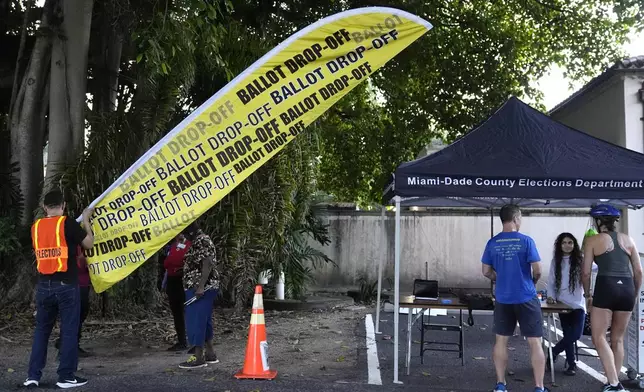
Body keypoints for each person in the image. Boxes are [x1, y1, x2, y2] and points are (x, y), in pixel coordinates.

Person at [24, 189, 94, 389]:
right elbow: (89, 243)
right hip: (66, 285)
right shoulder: (68, 223)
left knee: (41, 331)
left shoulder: (35, 227)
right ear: (63, 206)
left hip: (43, 285)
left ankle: (32, 376)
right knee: (69, 331)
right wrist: (87, 221)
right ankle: (65, 377)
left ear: (44, 207)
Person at [481, 204, 548, 392]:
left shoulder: (492, 243)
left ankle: (501, 385)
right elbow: (538, 269)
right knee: (535, 342)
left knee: (501, 341)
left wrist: (499, 278)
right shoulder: (526, 241)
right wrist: (532, 282)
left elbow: (486, 271)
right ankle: (539, 387)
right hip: (526, 296)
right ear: (516, 218)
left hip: (503, 297)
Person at [582, 204, 642, 391]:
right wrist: (634, 292)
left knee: (598, 337)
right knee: (617, 339)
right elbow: (639, 272)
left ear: (598, 221)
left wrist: (587, 295)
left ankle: (615, 384)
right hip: (627, 289)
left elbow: (585, 273)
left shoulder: (593, 240)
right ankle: (613, 382)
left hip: (606, 286)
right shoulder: (629, 239)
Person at [178, 223, 220, 369]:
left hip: (200, 288)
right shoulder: (200, 240)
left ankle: (198, 357)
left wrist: (201, 286)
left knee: (196, 320)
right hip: (200, 286)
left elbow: (207, 263)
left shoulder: (201, 241)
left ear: (190, 233)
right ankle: (210, 353)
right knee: (204, 320)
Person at [546, 233, 586, 376]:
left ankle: (553, 351)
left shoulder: (581, 259)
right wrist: (550, 296)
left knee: (576, 335)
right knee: (568, 334)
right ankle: (571, 365)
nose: (567, 245)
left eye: (570, 242)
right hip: (562, 303)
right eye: (564, 243)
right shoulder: (555, 261)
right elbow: (551, 281)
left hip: (579, 304)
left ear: (574, 245)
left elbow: (595, 267)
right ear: (559, 245)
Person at [55, 246, 91, 357]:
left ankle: (67, 343)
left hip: (81, 282)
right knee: (75, 316)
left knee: (79, 314)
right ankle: (66, 347)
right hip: (76, 283)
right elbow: (79, 263)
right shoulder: (73, 243)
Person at [163, 233, 192, 351]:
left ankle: (194, 342)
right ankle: (182, 341)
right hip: (172, 280)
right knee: (177, 312)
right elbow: (167, 263)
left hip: (183, 281)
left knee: (188, 311)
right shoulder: (173, 246)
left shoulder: (190, 245)